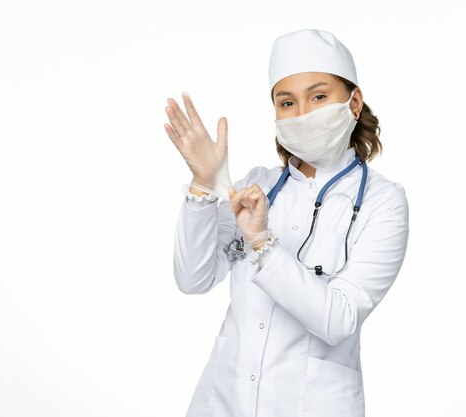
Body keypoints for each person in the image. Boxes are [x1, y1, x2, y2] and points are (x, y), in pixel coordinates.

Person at [164, 28, 409, 417]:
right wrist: (202, 186)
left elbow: (338, 319)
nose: (303, 113)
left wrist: (262, 242)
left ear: (354, 101)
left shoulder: (383, 202)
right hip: (224, 401)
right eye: (287, 102)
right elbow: (193, 279)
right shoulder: (257, 186)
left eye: (319, 96)